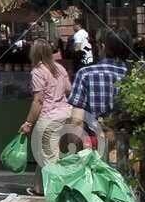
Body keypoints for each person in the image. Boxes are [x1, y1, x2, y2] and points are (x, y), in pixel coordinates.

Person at [68, 29, 133, 160]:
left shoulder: (85, 74)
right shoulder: (140, 75)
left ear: (103, 47)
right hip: (131, 151)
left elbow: (76, 121)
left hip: (97, 151)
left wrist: (75, 150)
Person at [20, 39, 74, 171]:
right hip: (65, 114)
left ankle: (53, 190)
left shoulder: (38, 71)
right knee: (47, 154)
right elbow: (68, 88)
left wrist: (28, 123)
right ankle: (39, 188)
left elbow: (38, 100)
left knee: (49, 159)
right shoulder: (59, 67)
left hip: (49, 116)